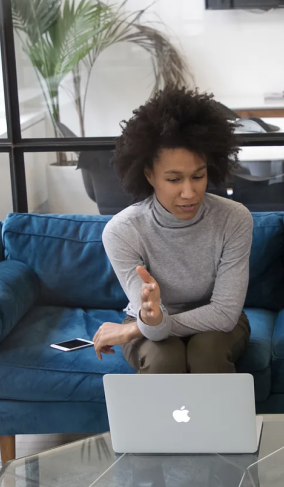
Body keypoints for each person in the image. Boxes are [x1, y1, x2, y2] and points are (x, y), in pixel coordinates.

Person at [92, 87, 253, 375]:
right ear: (149, 175)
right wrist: (150, 323)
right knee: (164, 360)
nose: (189, 192)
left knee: (206, 354)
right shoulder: (121, 231)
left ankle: (222, 423)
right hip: (149, 320)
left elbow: (225, 314)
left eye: (198, 176)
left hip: (217, 323)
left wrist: (132, 332)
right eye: (174, 179)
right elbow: (154, 324)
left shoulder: (234, 219)